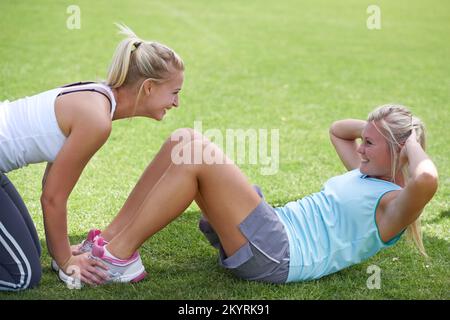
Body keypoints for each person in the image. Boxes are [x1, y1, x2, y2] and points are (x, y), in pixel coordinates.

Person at [84, 104, 438, 285]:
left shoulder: (392, 205)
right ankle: (109, 240)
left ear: (396, 152)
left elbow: (426, 181)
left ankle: (118, 260)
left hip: (279, 255)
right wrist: (377, 129)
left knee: (197, 152)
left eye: (370, 144)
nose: (360, 148)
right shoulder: (365, 173)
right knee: (183, 139)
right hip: (271, 232)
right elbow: (338, 132)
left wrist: (408, 144)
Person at [0, 23, 184, 291]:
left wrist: (62, 251)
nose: (176, 103)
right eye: (175, 93)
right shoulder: (96, 120)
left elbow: (51, 184)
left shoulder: (97, 97)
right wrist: (65, 260)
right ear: (148, 88)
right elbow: (53, 197)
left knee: (31, 248)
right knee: (22, 276)